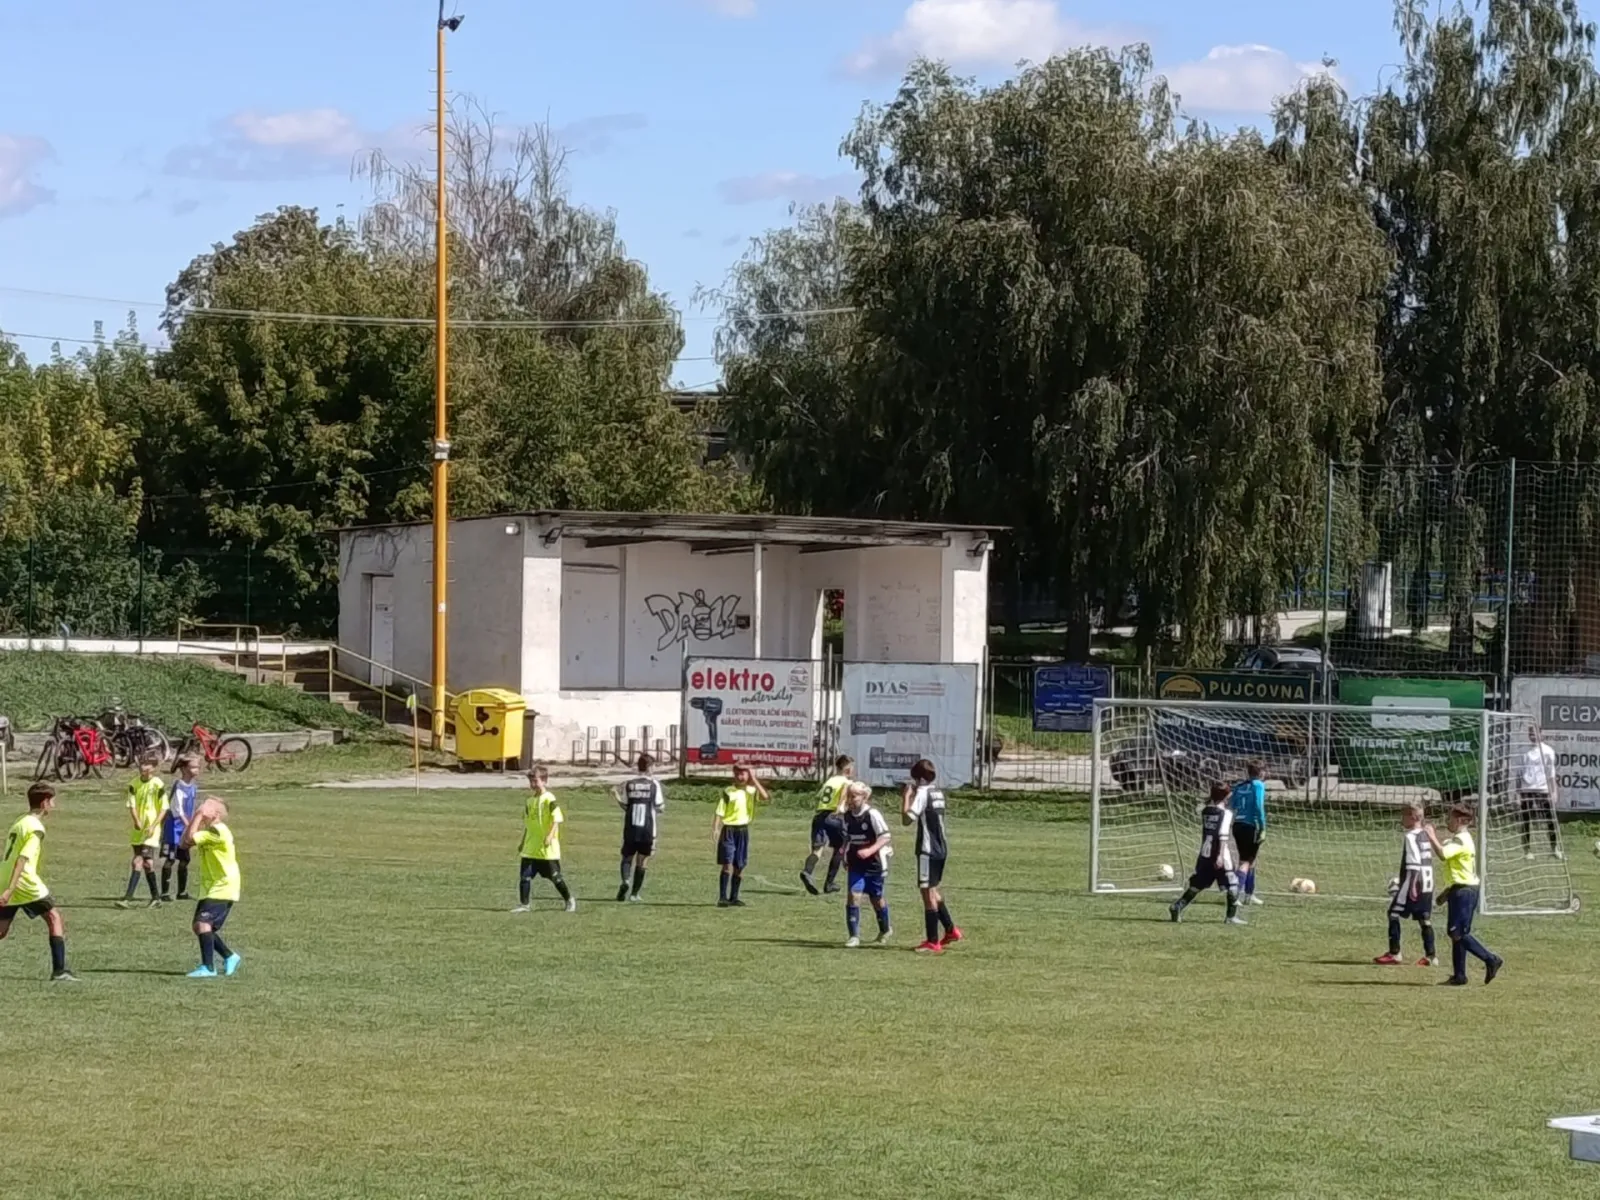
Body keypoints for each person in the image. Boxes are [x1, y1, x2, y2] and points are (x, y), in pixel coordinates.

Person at [0, 782, 77, 981]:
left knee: (1, 930)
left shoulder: (20, 821)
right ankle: (60, 971)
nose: (54, 805)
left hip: (4, 876)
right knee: (53, 917)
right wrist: (11, 889)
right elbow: (22, 859)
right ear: (44, 803)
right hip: (23, 880)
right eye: (52, 801)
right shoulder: (35, 828)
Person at [1424, 805, 1503, 986]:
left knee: (1457, 932)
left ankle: (1491, 959)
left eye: (1450, 818)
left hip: (1465, 891)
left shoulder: (1461, 840)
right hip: (1460, 889)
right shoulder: (1459, 839)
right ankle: (1459, 976)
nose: (1447, 821)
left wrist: (1431, 835)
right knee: (1458, 933)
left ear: (1459, 820)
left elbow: (1443, 854)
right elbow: (1459, 870)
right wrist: (1448, 892)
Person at [902, 758, 961, 954]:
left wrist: (906, 797)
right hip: (941, 847)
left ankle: (932, 941)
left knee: (927, 894)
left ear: (919, 779)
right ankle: (951, 930)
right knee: (934, 891)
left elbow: (907, 820)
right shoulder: (938, 793)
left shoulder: (923, 793)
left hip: (927, 849)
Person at [1169, 783, 1246, 925]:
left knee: (1199, 883)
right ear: (1225, 797)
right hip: (1219, 853)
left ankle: (1177, 906)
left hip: (1205, 854)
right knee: (1233, 883)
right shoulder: (1225, 814)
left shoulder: (1206, 811)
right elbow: (1222, 835)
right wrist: (1220, 856)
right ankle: (1231, 917)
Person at [182, 796, 242, 979]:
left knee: (203, 924)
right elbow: (184, 843)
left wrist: (198, 816)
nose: (201, 807)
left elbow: (189, 838)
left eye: (206, 806)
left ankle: (208, 967)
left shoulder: (218, 831)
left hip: (223, 885)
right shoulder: (209, 831)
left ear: (216, 814)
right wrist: (198, 817)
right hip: (212, 885)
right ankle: (229, 956)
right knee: (199, 926)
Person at [1374, 802, 1437, 967]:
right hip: (1427, 881)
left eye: (1404, 816)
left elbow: (1413, 863)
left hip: (1414, 880)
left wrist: (1411, 886)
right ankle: (1431, 956)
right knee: (1424, 917)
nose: (1402, 819)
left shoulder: (1411, 836)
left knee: (1393, 913)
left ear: (1413, 817)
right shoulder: (1425, 834)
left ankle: (1394, 953)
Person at [514, 767, 576, 913]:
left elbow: (557, 819)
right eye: (531, 781)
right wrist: (523, 842)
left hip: (547, 849)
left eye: (535, 781)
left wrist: (550, 836)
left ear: (544, 781)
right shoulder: (529, 801)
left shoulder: (549, 799)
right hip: (531, 847)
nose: (532, 784)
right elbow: (528, 824)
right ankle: (524, 905)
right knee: (525, 877)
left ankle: (569, 899)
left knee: (555, 877)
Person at [841, 782, 892, 947]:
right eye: (849, 796)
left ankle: (885, 929)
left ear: (864, 797)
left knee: (876, 898)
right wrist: (844, 854)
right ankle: (854, 936)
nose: (851, 799)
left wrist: (870, 850)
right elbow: (847, 838)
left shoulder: (872, 814)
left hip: (874, 863)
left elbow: (885, 836)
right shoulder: (847, 816)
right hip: (856, 863)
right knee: (853, 895)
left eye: (854, 796)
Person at [713, 765, 767, 908]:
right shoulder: (728, 791)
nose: (740, 777)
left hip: (743, 831)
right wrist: (716, 828)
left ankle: (734, 897)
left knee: (739, 865)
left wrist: (754, 779)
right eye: (737, 774)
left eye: (743, 774)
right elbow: (719, 811)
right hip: (729, 829)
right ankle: (722, 897)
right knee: (727, 862)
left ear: (748, 775)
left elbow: (765, 796)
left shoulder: (751, 791)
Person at [614, 753, 666, 902]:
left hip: (631, 828)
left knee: (627, 857)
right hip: (647, 829)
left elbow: (626, 805)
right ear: (650, 767)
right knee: (643, 860)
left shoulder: (629, 784)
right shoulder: (654, 785)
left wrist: (616, 797)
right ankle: (634, 894)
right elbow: (660, 807)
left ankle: (625, 880)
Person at [118, 757, 167, 909]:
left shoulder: (158, 784)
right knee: (148, 863)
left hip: (151, 830)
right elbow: (131, 805)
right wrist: (136, 820)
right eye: (142, 764)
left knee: (137, 861)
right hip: (138, 830)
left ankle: (127, 898)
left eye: (147, 765)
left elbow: (163, 808)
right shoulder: (133, 784)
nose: (143, 768)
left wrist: (154, 825)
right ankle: (156, 898)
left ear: (154, 768)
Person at [801, 755, 853, 896]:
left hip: (819, 815)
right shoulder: (846, 782)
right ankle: (829, 883)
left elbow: (820, 796)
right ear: (847, 769)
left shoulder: (830, 781)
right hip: (833, 815)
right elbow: (844, 791)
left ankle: (807, 871)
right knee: (840, 847)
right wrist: (841, 807)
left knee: (817, 850)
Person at [1518, 725, 1562, 860]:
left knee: (1550, 819)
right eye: (1530, 733)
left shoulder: (1548, 751)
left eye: (1534, 733)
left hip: (1543, 790)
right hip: (1526, 789)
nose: (1532, 735)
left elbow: (1551, 773)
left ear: (1541, 734)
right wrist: (1517, 793)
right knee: (1526, 820)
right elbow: (1518, 773)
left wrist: (1554, 791)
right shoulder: (1523, 751)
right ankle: (1527, 850)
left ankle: (1554, 848)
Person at [160, 754, 201, 902]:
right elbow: (177, 809)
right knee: (170, 859)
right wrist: (189, 825)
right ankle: (164, 893)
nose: (197, 769)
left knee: (184, 859)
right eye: (193, 767)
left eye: (198, 767)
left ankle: (182, 892)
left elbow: (191, 807)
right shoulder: (179, 786)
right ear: (184, 769)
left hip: (184, 829)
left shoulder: (193, 787)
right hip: (174, 829)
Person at [1229, 762, 1267, 906]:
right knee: (1246, 862)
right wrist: (1262, 827)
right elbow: (1258, 806)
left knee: (1249, 861)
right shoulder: (1258, 785)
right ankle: (1235, 895)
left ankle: (1249, 894)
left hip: (1237, 825)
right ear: (1261, 772)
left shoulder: (1239, 786)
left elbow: (1231, 804)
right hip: (1250, 825)